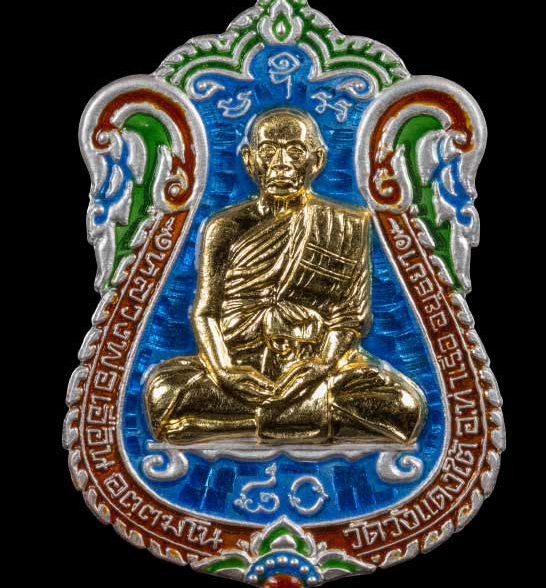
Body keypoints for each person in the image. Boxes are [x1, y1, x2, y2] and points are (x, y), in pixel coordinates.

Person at [144, 107, 426, 444]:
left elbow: (350, 317)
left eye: (295, 151)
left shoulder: (345, 225)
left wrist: (321, 365)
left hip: (315, 365)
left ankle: (241, 424)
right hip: (240, 365)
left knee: (404, 406)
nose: (281, 163)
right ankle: (300, 419)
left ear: (317, 160)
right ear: (249, 161)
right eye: (268, 151)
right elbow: (205, 312)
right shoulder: (224, 227)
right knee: (163, 391)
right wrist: (224, 371)